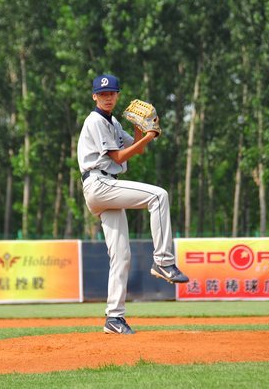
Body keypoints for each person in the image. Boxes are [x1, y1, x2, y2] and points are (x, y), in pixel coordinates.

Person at [77, 74, 189, 335]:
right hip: (99, 184)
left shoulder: (113, 121)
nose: (107, 97)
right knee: (158, 196)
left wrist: (141, 128)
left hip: (105, 187)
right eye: (102, 94)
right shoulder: (94, 121)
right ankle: (163, 260)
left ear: (117, 95)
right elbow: (117, 157)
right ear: (94, 96)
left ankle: (114, 318)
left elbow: (135, 149)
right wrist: (150, 136)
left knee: (121, 256)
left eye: (112, 93)